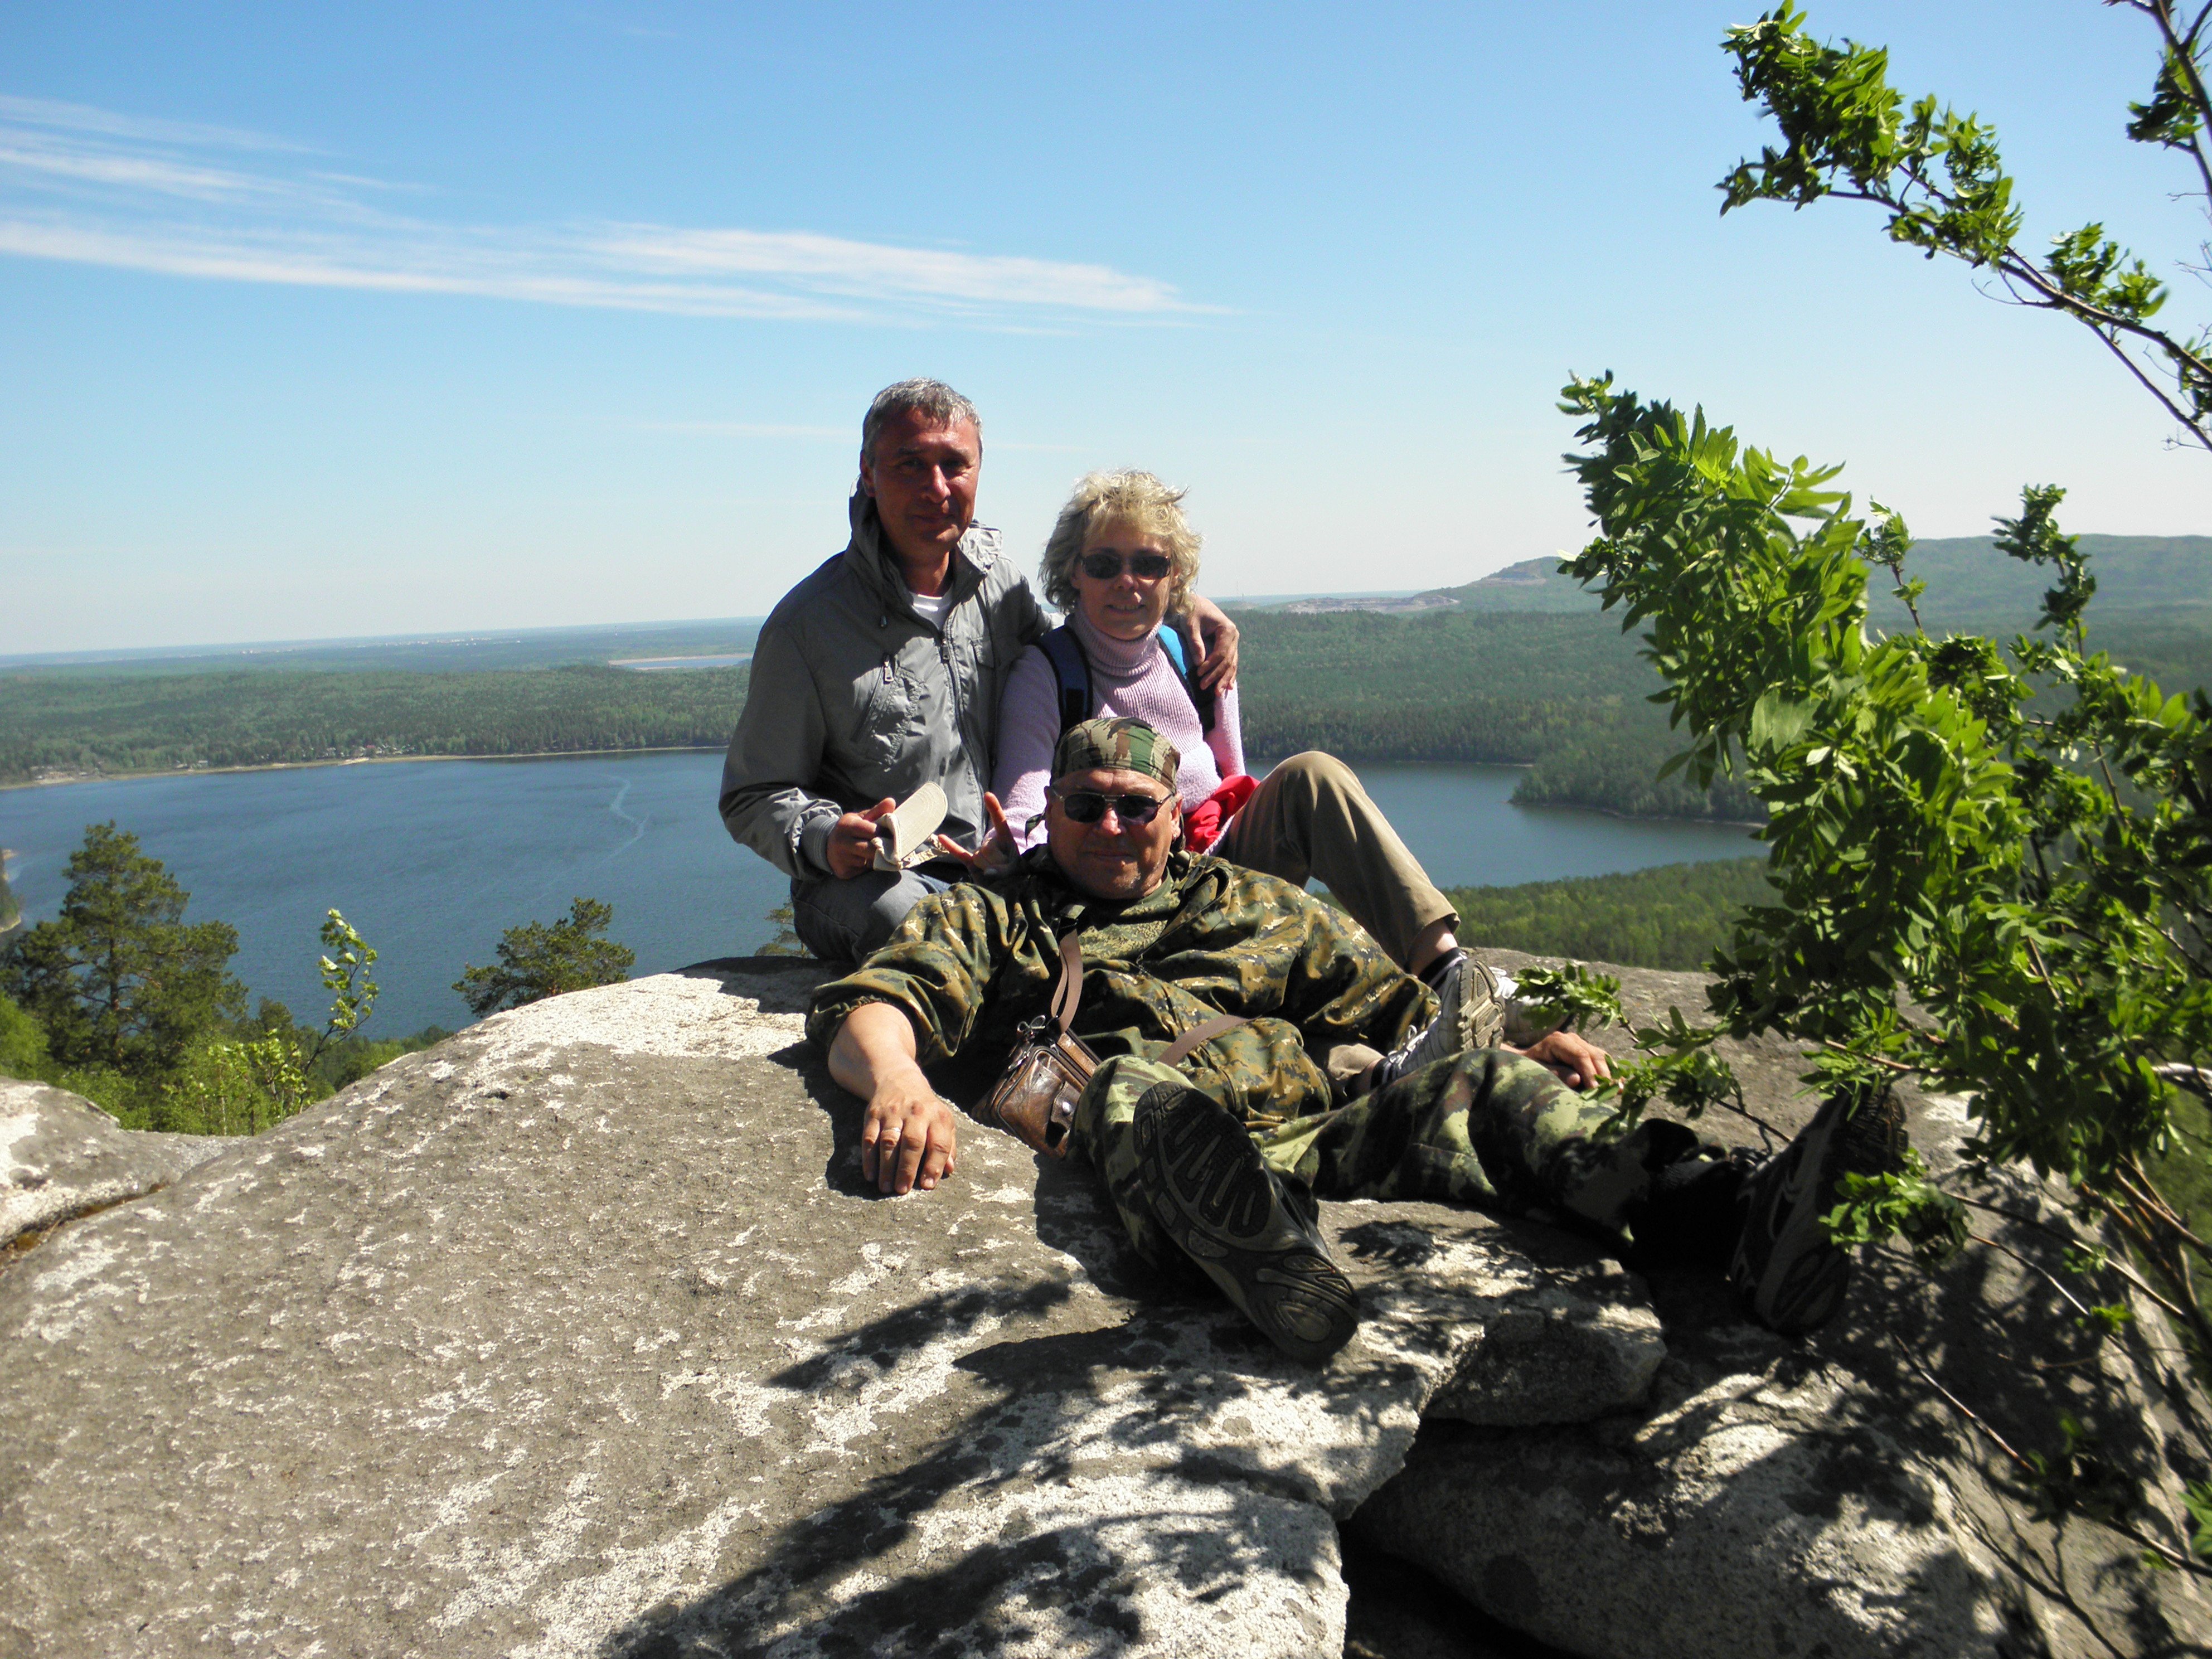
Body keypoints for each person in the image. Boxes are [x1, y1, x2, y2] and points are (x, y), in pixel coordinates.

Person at [810, 716, 1907, 1363]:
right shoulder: (1000, 913)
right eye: (1084, 805)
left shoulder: (1250, 903)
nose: (1108, 827)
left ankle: (1741, 1218)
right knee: (1138, 1092)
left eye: (1133, 805)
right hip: (1158, 1135)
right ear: (1049, 810)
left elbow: (1400, 1006)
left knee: (1488, 1090)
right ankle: (1263, 1251)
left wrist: (1521, 1040)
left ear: (1172, 814)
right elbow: (877, 1002)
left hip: (1315, 1128)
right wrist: (897, 1078)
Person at [989, 469, 1503, 1092]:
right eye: (1104, 564)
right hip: (1126, 901)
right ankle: (1383, 1074)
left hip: (1214, 876)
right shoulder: (1048, 674)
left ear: (1174, 576)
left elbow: (1233, 784)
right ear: (1073, 573)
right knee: (1257, 1008)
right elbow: (1025, 813)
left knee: (1311, 778)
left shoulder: (1193, 656)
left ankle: (1446, 974)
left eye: (1149, 564)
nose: (1128, 582)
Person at [718, 381, 1242, 965]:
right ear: (868, 473)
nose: (936, 487)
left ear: (977, 471)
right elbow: (752, 793)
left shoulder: (998, 587)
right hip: (884, 879)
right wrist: (824, 836)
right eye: (910, 464)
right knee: (922, 927)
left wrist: (1181, 604)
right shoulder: (810, 626)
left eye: (954, 465)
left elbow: (1090, 636)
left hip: (1006, 868)